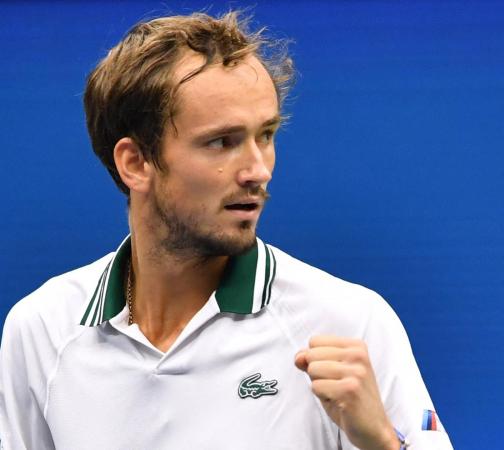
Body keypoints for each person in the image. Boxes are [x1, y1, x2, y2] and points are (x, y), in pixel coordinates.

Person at [0, 11, 452, 450]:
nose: (258, 170)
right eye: (222, 142)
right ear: (135, 163)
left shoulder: (349, 323)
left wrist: (382, 444)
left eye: (266, 135)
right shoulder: (41, 330)